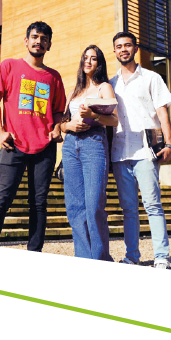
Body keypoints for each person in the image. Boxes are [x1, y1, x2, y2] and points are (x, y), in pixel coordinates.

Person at [0, 21, 66, 252]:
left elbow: (57, 110)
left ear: (49, 44)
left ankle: (34, 253)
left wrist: (57, 127)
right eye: (35, 37)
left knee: (39, 203)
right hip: (13, 144)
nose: (39, 41)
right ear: (26, 41)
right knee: (0, 201)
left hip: (45, 148)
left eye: (44, 38)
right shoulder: (8, 66)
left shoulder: (54, 77)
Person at [109, 32, 171, 269]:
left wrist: (169, 144)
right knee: (128, 209)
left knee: (153, 205)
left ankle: (161, 256)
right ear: (114, 51)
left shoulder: (151, 77)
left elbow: (162, 112)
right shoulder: (110, 83)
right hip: (119, 154)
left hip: (146, 152)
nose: (123, 49)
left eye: (127, 45)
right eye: (119, 46)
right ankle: (132, 256)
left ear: (135, 48)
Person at [59, 45, 118, 262]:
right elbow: (62, 124)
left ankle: (101, 259)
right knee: (75, 207)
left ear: (99, 63)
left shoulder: (104, 87)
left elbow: (114, 120)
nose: (88, 61)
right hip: (70, 146)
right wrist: (69, 126)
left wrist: (92, 114)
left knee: (94, 206)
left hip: (94, 144)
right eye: (85, 57)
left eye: (93, 58)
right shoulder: (75, 91)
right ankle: (84, 259)